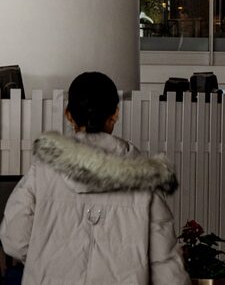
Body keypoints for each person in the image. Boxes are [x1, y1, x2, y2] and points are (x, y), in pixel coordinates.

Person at [0, 71, 186, 284]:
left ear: (68, 115)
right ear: (115, 114)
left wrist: (46, 259)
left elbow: (14, 240)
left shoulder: (42, 171)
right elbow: (165, 263)